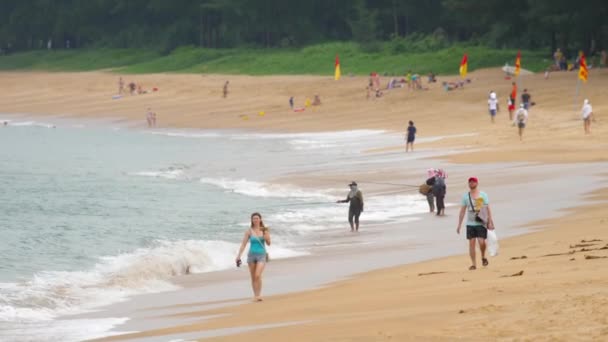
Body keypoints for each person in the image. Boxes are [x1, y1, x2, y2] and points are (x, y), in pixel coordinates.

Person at [457, 177, 495, 270]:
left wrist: (490, 221)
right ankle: (474, 264)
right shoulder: (466, 196)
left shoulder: (483, 195)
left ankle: (483, 256)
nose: (471, 183)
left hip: (480, 222)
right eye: (470, 182)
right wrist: (459, 224)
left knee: (482, 242)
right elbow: (462, 211)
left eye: (473, 182)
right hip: (470, 224)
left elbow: (487, 208)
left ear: (477, 183)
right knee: (471, 244)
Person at [235, 212, 271, 302]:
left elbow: (269, 243)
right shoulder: (249, 231)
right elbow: (243, 244)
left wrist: (266, 236)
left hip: (261, 255)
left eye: (257, 218)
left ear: (260, 219)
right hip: (251, 255)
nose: (255, 220)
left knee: (257, 275)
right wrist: (238, 256)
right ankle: (256, 296)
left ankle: (259, 294)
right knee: (253, 277)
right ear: (252, 220)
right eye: (254, 218)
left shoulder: (264, 230)